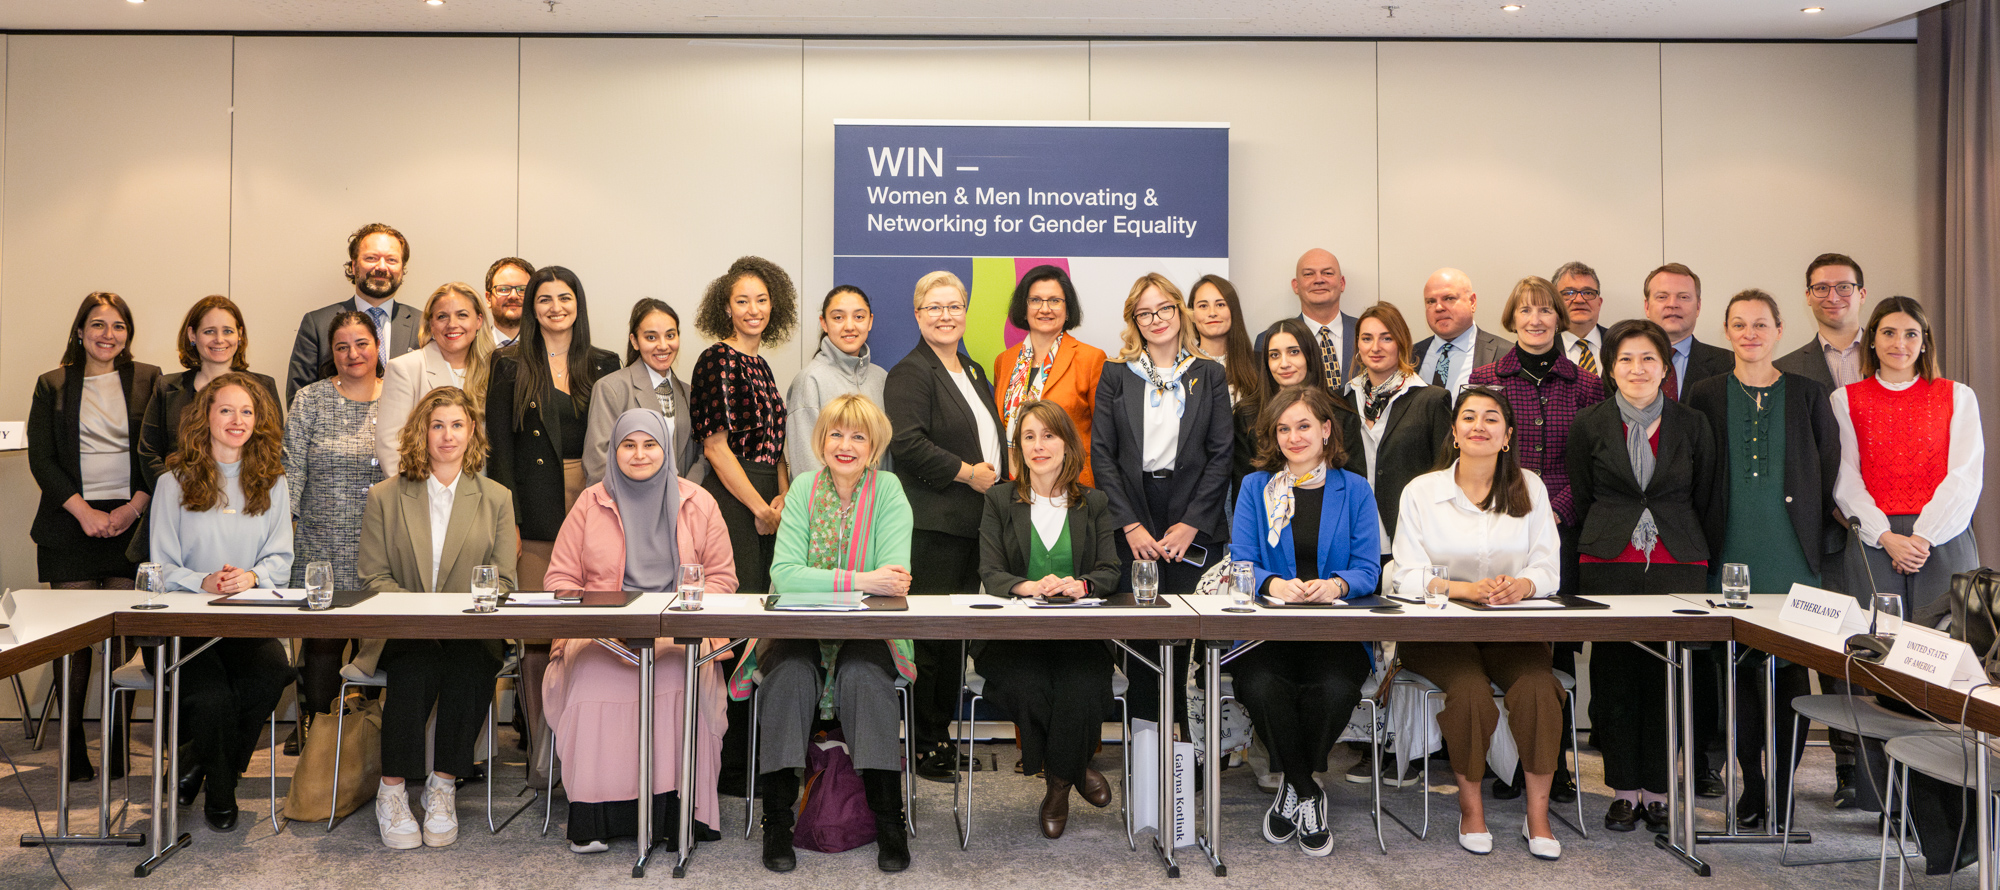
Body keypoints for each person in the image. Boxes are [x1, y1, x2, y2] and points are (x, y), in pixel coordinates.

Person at [543, 410, 737, 854]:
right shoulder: (589, 503)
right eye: (628, 445)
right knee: (591, 677)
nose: (639, 454)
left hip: (678, 632)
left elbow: (723, 579)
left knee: (676, 674)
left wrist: (680, 617)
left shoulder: (699, 502)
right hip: (602, 635)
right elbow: (560, 580)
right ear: (613, 451)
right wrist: (600, 622)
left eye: (650, 444)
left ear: (666, 449)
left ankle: (674, 817)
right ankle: (593, 819)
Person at [739, 393, 914, 874]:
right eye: (836, 434)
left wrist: (840, 582)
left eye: (858, 436)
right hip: (797, 628)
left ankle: (890, 821)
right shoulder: (802, 489)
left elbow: (894, 579)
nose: (845, 445)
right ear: (821, 441)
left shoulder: (890, 490)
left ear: (874, 446)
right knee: (789, 677)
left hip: (870, 632)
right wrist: (861, 579)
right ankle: (777, 822)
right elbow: (784, 575)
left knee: (863, 678)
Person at [1685, 289, 1839, 829]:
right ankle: (1752, 785)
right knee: (1739, 675)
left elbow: (1829, 468)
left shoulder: (1809, 393)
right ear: (1727, 331)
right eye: (1739, 324)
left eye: (1760, 324)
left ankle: (1784, 789)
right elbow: (1698, 468)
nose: (1750, 333)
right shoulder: (1705, 393)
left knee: (1791, 675)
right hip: (1730, 551)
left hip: (1793, 553)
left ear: (1779, 330)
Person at [1393, 388, 1568, 860]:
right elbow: (1404, 574)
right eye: (1468, 417)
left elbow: (1547, 568)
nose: (1479, 426)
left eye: (1492, 418)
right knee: (1469, 692)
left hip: (1511, 629)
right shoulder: (1422, 491)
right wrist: (1465, 589)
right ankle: (1471, 810)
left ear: (1507, 435)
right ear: (1454, 432)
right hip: (1439, 633)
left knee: (1539, 689)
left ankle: (1538, 816)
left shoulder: (1530, 487)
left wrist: (1522, 586)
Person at [1567, 318, 1717, 834]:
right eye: (1626, 359)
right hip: (1609, 561)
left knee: (1667, 679)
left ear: (1665, 367)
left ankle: (1657, 790)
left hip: (1679, 562)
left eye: (1648, 358)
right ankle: (1623, 791)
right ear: (1610, 368)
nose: (1637, 369)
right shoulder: (1589, 423)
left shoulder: (1692, 423)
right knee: (1615, 681)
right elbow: (1583, 495)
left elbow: (1705, 495)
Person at [355, 386, 518, 850]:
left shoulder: (496, 497)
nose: (448, 435)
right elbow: (373, 577)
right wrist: (425, 615)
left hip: (471, 629)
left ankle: (442, 786)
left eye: (457, 425)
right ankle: (392, 791)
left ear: (472, 432)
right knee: (417, 662)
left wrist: (459, 615)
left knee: (472, 661)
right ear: (421, 433)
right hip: (403, 627)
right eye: (437, 425)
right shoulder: (386, 496)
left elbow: (504, 580)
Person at [1465, 276, 1607, 802]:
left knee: (1558, 648)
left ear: (1558, 318)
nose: (1536, 319)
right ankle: (1510, 763)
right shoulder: (1487, 378)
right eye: (1526, 310)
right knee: (1506, 641)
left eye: (1546, 310)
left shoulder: (1586, 384)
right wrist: (1514, 513)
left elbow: (1592, 463)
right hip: (1500, 525)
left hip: (1563, 529)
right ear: (1513, 318)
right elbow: (1477, 449)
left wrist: (1552, 513)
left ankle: (1553, 763)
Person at [1227, 386, 1378, 858]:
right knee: (1261, 687)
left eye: (1304, 426)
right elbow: (1241, 562)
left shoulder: (1354, 488)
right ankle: (1307, 789)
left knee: (1333, 690)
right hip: (1267, 632)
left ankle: (1293, 787)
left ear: (1326, 430)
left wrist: (1336, 585)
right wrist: (1273, 583)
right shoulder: (1256, 488)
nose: (1294, 437)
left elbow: (1368, 568)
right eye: (1284, 428)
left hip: (1335, 632)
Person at [147, 372, 295, 832]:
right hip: (184, 623)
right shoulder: (173, 482)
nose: (237, 420)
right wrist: (203, 581)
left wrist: (250, 577)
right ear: (205, 417)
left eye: (246, 411)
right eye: (226, 410)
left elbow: (281, 559)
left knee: (272, 674)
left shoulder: (272, 482)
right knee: (213, 699)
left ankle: (195, 762)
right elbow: (159, 568)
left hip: (245, 620)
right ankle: (222, 790)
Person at [1091, 272, 1233, 737]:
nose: (1156, 319)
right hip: (1134, 511)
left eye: (1164, 309)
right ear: (1134, 320)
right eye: (1144, 313)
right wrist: (1129, 524)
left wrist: (1192, 523)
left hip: (1193, 515)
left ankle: (1188, 750)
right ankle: (1147, 748)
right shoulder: (1117, 374)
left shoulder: (1208, 373)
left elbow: (1221, 455)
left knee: (1190, 641)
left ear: (1179, 310)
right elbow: (1102, 456)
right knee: (1142, 641)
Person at [974, 401, 1123, 839]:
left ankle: (1057, 785)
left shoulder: (1093, 502)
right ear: (1019, 448)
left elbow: (1110, 571)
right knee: (1029, 686)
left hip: (1079, 636)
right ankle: (1076, 771)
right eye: (1029, 437)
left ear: (1067, 445)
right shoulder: (999, 499)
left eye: (1049, 435)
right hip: (1013, 638)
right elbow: (991, 572)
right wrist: (1029, 586)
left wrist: (1082, 585)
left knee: (1081, 686)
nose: (1039, 445)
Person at [28, 293, 160, 782]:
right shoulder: (52, 383)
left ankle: (118, 741)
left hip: (131, 521)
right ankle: (72, 746)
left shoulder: (149, 378)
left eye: (119, 325)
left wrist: (133, 508)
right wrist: (83, 511)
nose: (109, 334)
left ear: (128, 333)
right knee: (73, 641)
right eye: (98, 324)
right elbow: (41, 458)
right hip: (70, 522)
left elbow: (157, 450)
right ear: (80, 331)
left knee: (123, 637)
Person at [885, 269, 1007, 780]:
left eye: (954, 306)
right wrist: (967, 474)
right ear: (917, 315)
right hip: (934, 527)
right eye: (934, 307)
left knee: (955, 638)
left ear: (965, 312)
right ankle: (922, 744)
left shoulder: (972, 369)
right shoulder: (910, 372)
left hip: (973, 526)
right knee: (930, 642)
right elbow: (907, 444)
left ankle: (941, 737)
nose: (945, 316)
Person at [1773, 252, 1870, 807]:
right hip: (1825, 527)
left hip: (1896, 525)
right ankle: (1848, 766)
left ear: (1861, 293)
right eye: (1820, 288)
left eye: (1843, 287)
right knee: (1838, 648)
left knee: (1894, 644)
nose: (1833, 296)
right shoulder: (1789, 367)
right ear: (1807, 296)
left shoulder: (1894, 350)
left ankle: (1901, 771)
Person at [281, 310, 384, 745]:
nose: (352, 354)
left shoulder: (399, 397)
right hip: (320, 544)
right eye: (342, 346)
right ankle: (319, 739)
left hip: (382, 545)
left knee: (378, 647)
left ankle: (367, 743)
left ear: (377, 347)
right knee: (322, 647)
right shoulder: (310, 399)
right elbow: (291, 470)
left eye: (361, 343)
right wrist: (282, 534)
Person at [486, 265, 621, 590]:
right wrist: (510, 523)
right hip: (536, 507)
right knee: (538, 607)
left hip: (595, 497)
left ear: (578, 304)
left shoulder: (605, 364)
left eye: (565, 298)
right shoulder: (509, 364)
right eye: (545, 299)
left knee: (596, 605)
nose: (556, 307)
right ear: (532, 308)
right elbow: (500, 452)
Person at [690, 255, 798, 596]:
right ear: (726, 308)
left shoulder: (762, 365)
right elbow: (715, 448)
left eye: (761, 300)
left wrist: (783, 495)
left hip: (768, 497)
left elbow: (775, 443)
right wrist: (760, 508)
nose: (754, 310)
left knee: (765, 598)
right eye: (742, 301)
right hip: (734, 498)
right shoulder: (716, 359)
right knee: (738, 601)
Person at [1338, 301, 1451, 559]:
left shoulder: (1432, 400)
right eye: (1367, 338)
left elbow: (1444, 473)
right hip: (1350, 537)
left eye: (1386, 338)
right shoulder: (1340, 400)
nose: (1375, 347)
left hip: (1411, 536)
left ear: (1401, 343)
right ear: (1358, 346)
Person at [138, 295, 282, 491]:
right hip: (179, 499)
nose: (219, 339)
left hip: (246, 499)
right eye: (209, 331)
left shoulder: (263, 387)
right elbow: (149, 452)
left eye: (228, 331)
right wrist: (175, 493)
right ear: (192, 335)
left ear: (239, 335)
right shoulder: (167, 387)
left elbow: (273, 449)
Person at [992, 265, 1107, 484]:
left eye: (1055, 301)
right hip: (1014, 485)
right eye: (1035, 300)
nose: (1045, 309)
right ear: (1023, 308)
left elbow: (1105, 437)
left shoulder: (1091, 359)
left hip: (1071, 485)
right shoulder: (1004, 361)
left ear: (1068, 309)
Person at [287, 222, 422, 400]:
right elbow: (299, 399)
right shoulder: (317, 324)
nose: (382, 267)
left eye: (391, 260)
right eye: (371, 258)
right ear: (353, 266)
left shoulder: (423, 324)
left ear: (402, 269)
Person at [376, 282, 494, 477]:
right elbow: (390, 446)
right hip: (422, 488)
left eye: (462, 315)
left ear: (479, 321)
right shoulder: (405, 368)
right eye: (442, 317)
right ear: (431, 324)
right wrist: (417, 491)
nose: (452, 324)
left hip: (481, 489)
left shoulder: (495, 371)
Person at [584, 298, 704, 486]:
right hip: (628, 499)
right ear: (635, 341)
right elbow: (598, 463)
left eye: (670, 335)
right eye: (651, 337)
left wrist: (687, 492)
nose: (663, 345)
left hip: (683, 498)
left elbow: (703, 454)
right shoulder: (611, 388)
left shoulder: (690, 393)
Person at [787, 285, 889, 477]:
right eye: (838, 318)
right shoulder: (810, 380)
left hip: (878, 496)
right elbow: (807, 466)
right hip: (827, 497)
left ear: (870, 321)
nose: (849, 326)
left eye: (859, 317)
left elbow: (886, 457)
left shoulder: (881, 378)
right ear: (824, 323)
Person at [1236, 318, 1329, 495]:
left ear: (1309, 355)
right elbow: (1242, 486)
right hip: (1264, 509)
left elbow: (1352, 480)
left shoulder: (1337, 411)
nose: (1284, 364)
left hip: (1329, 506)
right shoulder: (1246, 414)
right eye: (1274, 355)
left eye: (1294, 352)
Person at [1642, 263, 1734, 400]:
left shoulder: (1729, 364)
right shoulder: (1621, 363)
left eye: (1683, 297)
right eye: (1662, 297)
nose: (1672, 304)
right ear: (1647, 307)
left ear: (1698, 307)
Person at [1412, 268, 1508, 393]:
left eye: (1448, 298)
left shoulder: (1506, 354)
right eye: (1431, 301)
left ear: (1472, 302)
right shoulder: (1407, 356)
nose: (1439, 307)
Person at [1291, 249, 1358, 390]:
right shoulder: (1273, 339)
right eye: (1308, 274)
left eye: (1327, 273)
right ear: (1296, 286)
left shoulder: (1366, 333)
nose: (1319, 280)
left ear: (1342, 283)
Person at [1189, 273, 1260, 406]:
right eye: (1203, 306)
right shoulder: (1183, 367)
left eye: (1220, 304)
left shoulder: (1258, 365)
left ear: (1233, 311)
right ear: (1191, 314)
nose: (1212, 313)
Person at [1554, 261, 1608, 377]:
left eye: (1588, 292)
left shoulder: (1620, 343)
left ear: (1599, 303)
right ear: (1555, 303)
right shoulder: (1543, 348)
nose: (1579, 300)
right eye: (1569, 293)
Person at [483, 256, 534, 349]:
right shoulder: (471, 349)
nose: (513, 296)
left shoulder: (549, 348)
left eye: (522, 289)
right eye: (503, 289)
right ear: (488, 299)